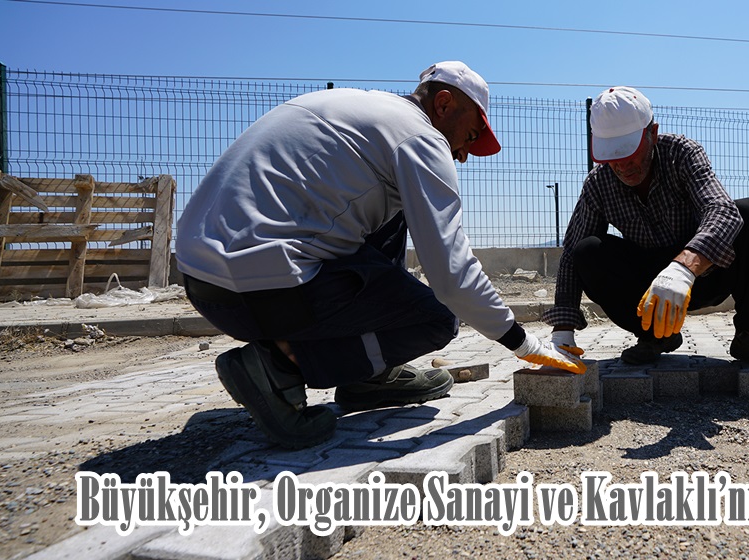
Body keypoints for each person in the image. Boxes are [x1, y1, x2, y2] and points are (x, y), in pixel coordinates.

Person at [176, 61, 584, 449]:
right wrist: (524, 343)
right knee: (437, 318)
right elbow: (452, 276)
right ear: (443, 104)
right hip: (263, 291)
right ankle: (278, 368)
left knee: (396, 212)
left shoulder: (358, 111)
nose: (462, 153)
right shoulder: (419, 136)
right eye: (471, 135)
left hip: (205, 284)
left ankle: (369, 377)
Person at [542, 86, 749, 372]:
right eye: (611, 155)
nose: (622, 165)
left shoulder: (682, 153)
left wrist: (683, 268)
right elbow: (570, 258)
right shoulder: (599, 183)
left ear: (652, 134)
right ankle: (656, 335)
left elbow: (722, 211)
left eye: (629, 152)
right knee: (587, 251)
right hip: (648, 295)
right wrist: (562, 335)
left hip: (706, 273)